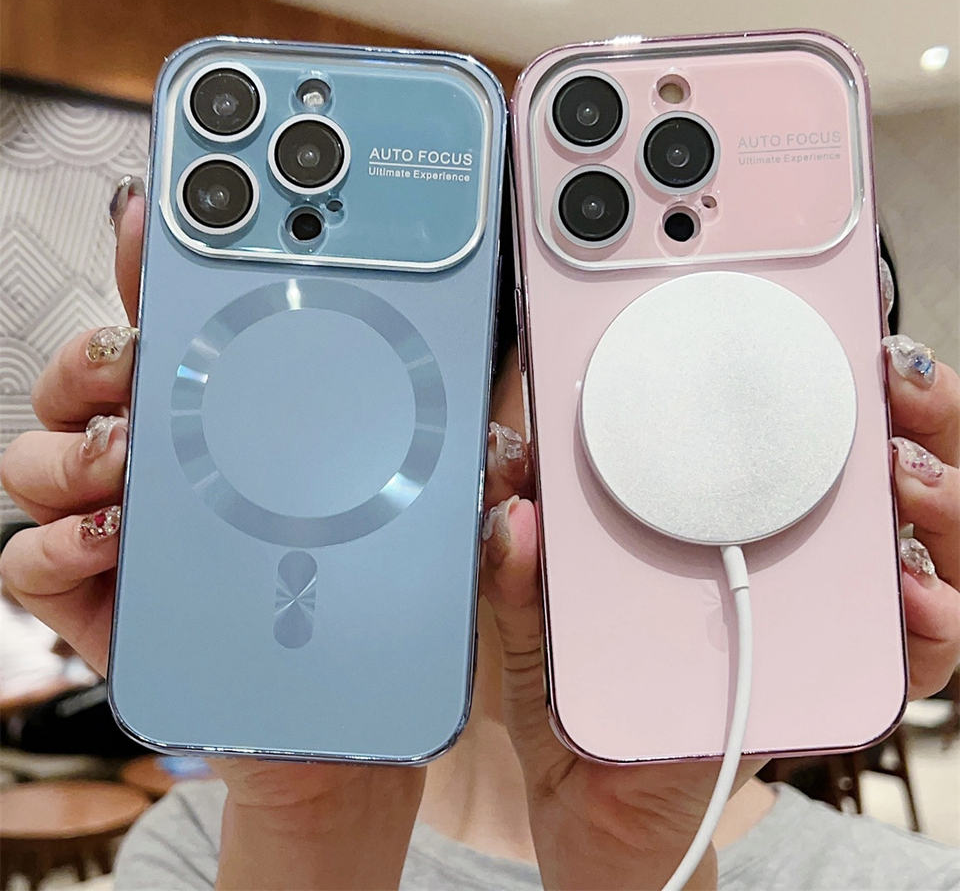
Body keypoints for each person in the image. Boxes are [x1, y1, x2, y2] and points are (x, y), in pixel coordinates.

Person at [1, 177, 957, 890]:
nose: (686, 457)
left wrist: (635, 851)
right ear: (466, 401)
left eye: (751, 397)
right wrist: (314, 831)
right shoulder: (206, 852)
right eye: (611, 356)